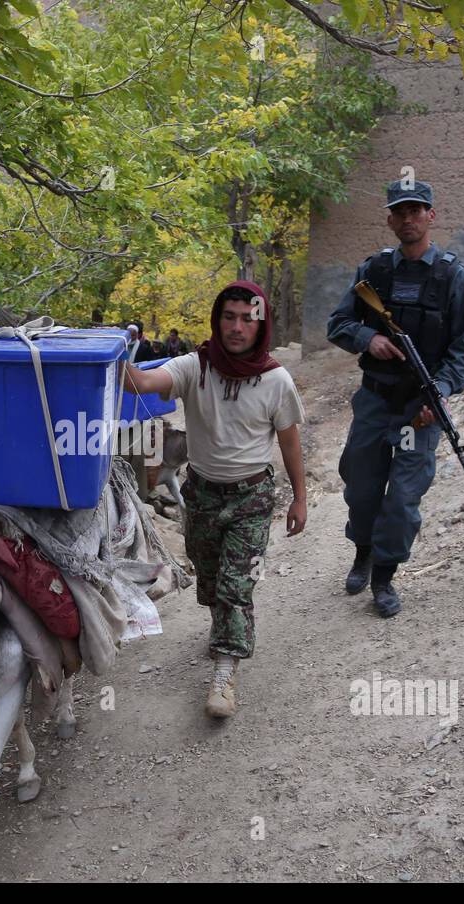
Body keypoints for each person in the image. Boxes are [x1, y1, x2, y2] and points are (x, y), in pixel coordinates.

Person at [124, 281, 307, 718]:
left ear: (261, 324)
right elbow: (142, 382)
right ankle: (224, 624)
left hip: (252, 497)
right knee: (209, 580)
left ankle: (224, 674)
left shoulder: (276, 380)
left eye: (247, 318)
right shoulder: (196, 367)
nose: (237, 327)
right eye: (229, 317)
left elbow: (290, 442)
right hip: (202, 495)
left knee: (235, 585)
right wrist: (112, 353)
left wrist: (300, 498)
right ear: (217, 320)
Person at [326, 180, 464, 618]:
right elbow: (337, 323)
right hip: (375, 401)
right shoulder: (373, 271)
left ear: (431, 216)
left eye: (417, 210)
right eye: (400, 212)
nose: (409, 218)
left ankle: (384, 575)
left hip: (419, 413)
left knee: (402, 498)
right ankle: (363, 551)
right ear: (390, 220)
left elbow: (463, 351)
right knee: (362, 485)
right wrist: (368, 338)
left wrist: (440, 392)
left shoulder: (453, 277)